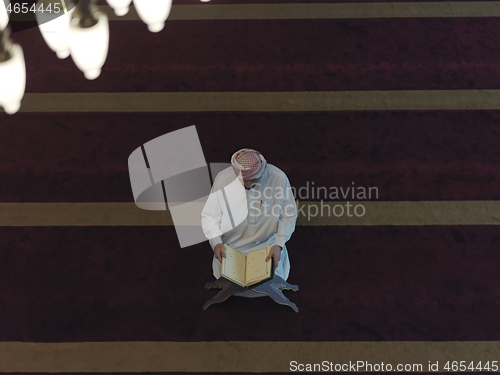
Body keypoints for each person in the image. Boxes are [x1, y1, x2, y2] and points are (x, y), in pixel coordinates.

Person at [201, 148, 297, 297]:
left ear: (262, 173)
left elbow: (289, 214)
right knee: (229, 277)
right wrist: (216, 243)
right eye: (243, 182)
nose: (247, 186)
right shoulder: (223, 179)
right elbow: (210, 216)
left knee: (271, 278)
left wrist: (279, 243)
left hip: (267, 245)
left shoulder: (278, 177)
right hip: (231, 247)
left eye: (251, 181)